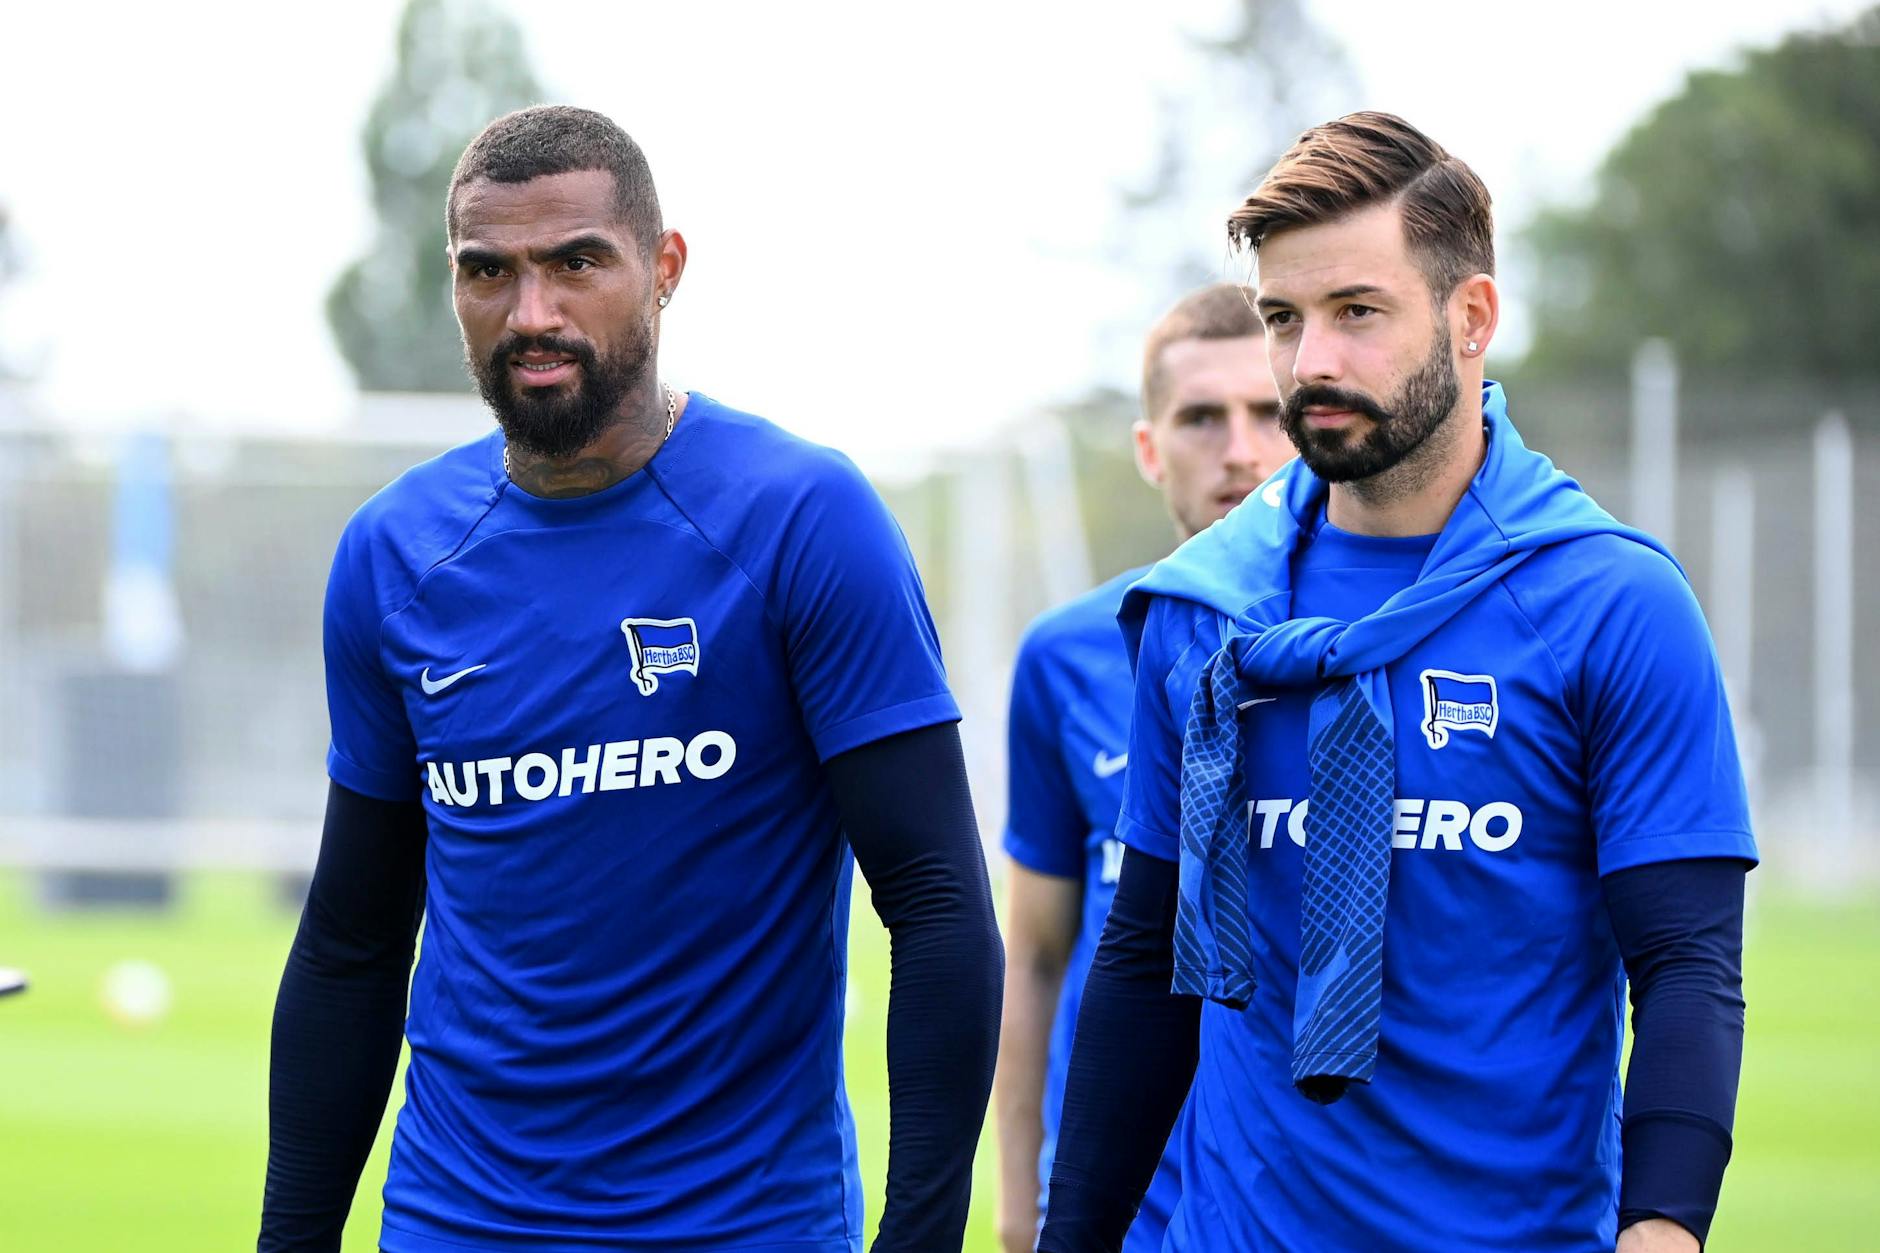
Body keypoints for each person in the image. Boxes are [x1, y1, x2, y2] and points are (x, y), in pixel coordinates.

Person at [259, 105, 1002, 1253]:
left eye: (575, 263)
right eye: (487, 271)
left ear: (662, 270)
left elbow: (938, 905)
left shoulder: (802, 518)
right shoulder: (391, 555)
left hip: (741, 1226)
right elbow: (351, 942)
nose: (532, 312)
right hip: (457, 1220)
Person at [1039, 112, 1756, 1253]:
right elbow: (1141, 963)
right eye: (1283, 318)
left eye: (1356, 312)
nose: (1310, 360)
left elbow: (1683, 964)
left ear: (1469, 318)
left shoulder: (1609, 602)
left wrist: (1662, 1231)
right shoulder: (1201, 607)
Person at [994, 283, 1291, 1253]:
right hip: (1123, 1206)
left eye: (1266, 413)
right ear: (1148, 447)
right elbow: (1036, 952)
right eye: (1201, 416)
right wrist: (1017, 1197)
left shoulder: (1369, 642)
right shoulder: (1065, 654)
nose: (1238, 448)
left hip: (1297, 1192)